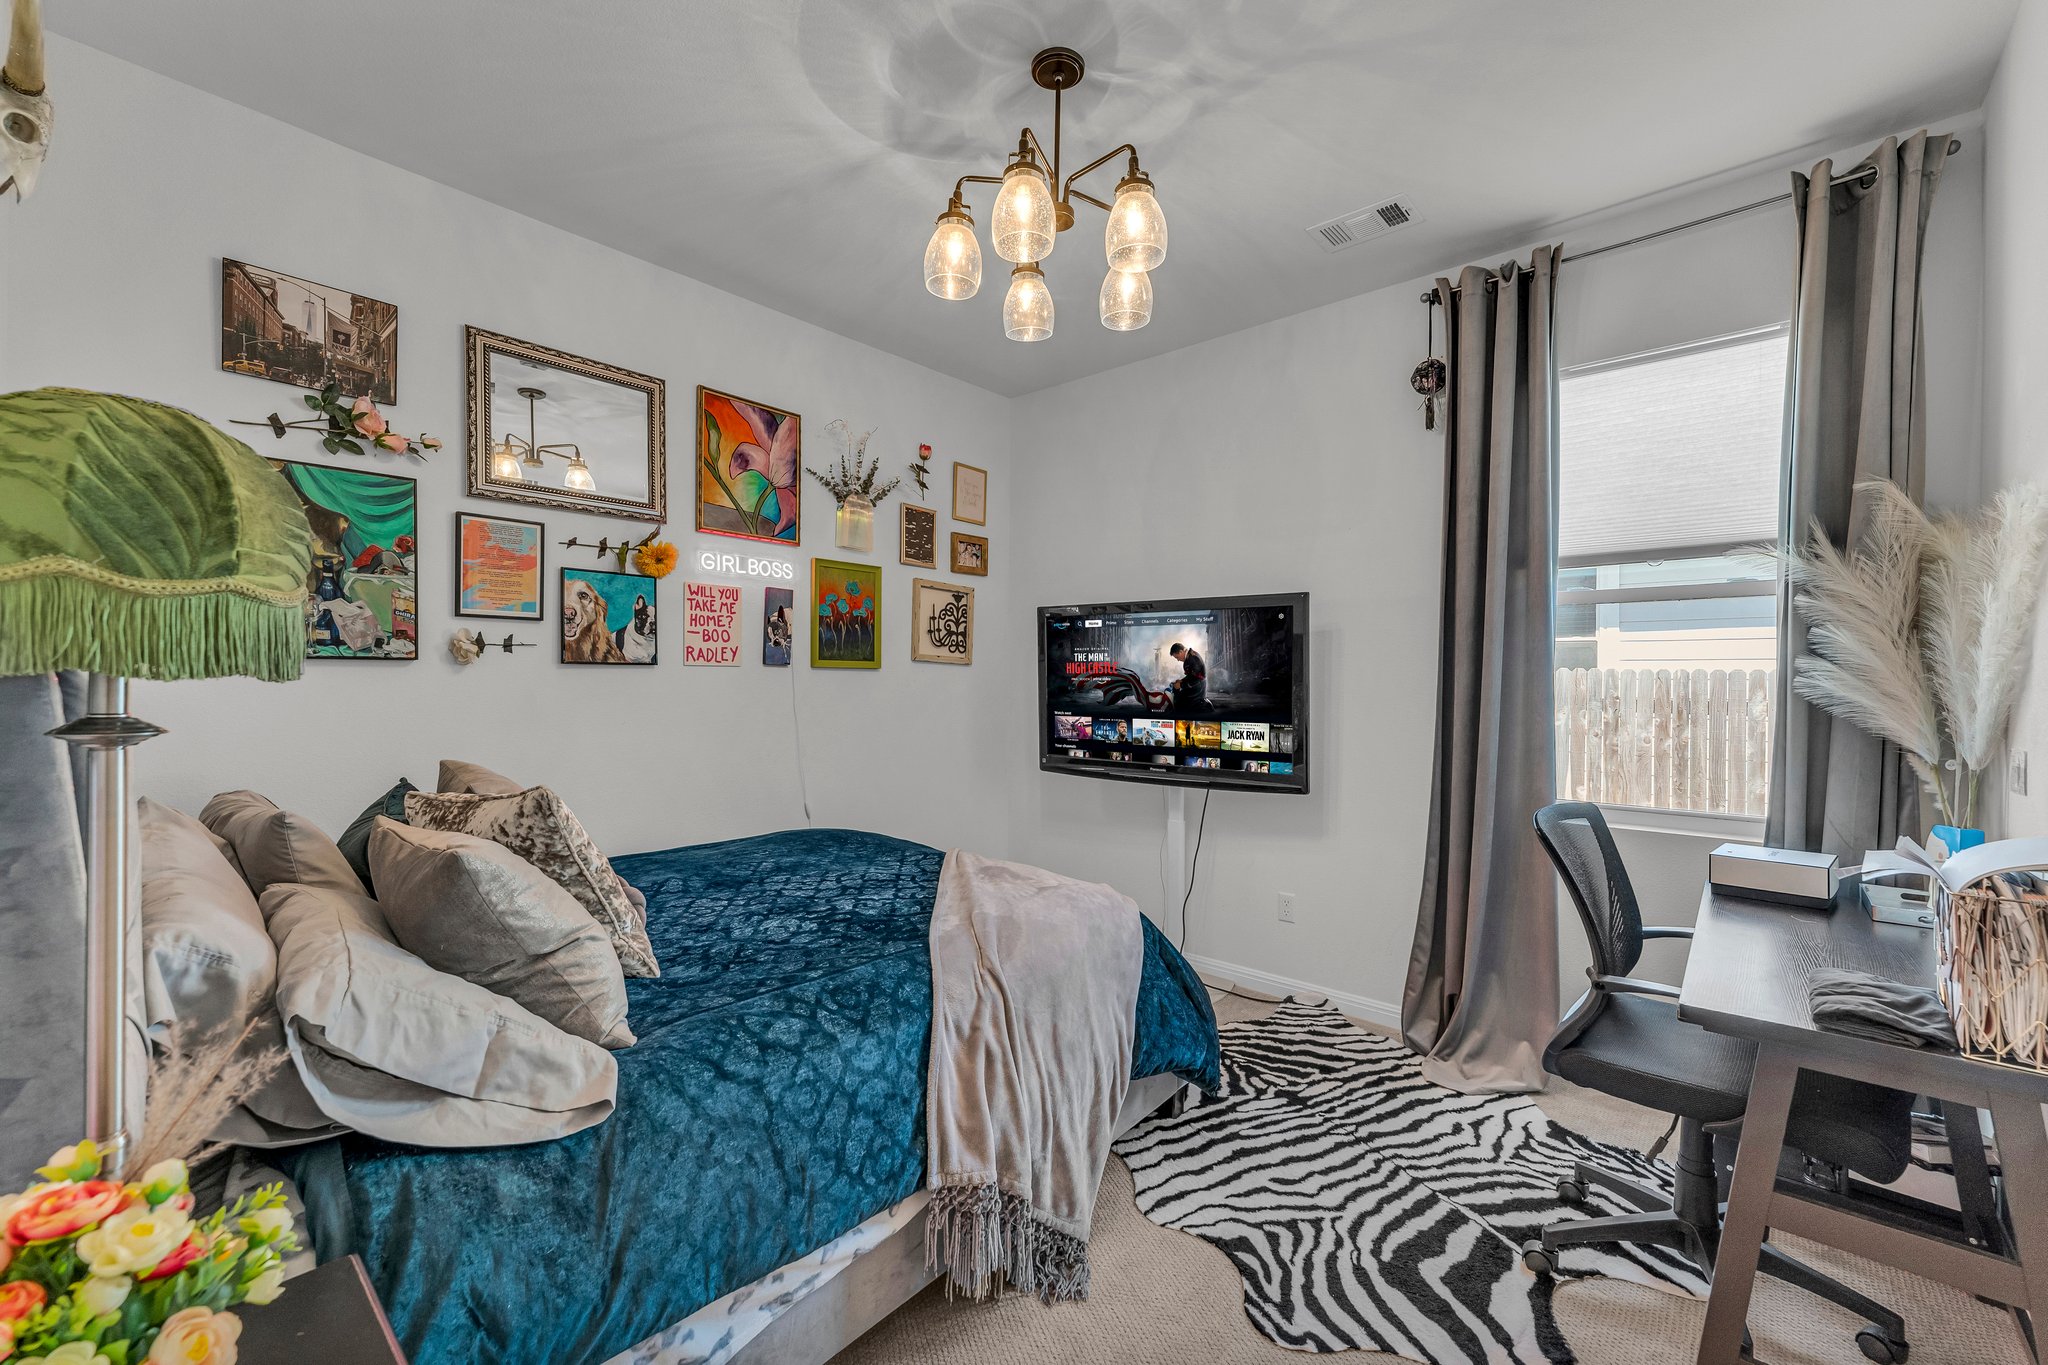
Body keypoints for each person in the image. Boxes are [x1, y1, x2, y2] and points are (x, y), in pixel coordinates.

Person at [1169, 642, 1209, 710]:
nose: (1178, 660)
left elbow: (1196, 678)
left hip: (1198, 689)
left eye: (1177, 657)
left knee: (1180, 703)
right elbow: (1191, 675)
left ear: (1181, 651)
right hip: (1195, 686)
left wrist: (1181, 685)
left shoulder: (1193, 658)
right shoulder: (1190, 657)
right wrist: (1182, 681)